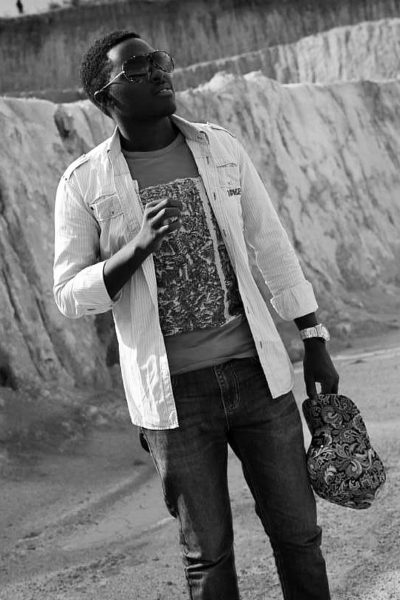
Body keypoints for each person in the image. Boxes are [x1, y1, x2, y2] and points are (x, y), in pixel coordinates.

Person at [53, 29, 339, 600]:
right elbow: (67, 295)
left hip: (257, 376)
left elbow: (271, 244)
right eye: (137, 68)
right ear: (106, 97)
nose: (159, 72)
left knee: (299, 536)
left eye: (158, 60)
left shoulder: (220, 147)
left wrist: (313, 336)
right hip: (173, 398)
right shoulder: (84, 181)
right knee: (207, 557)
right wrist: (132, 251)